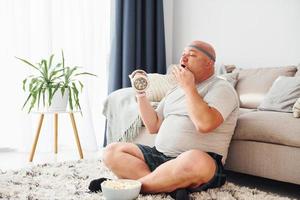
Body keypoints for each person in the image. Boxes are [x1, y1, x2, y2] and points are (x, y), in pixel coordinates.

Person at [89, 40, 239, 200]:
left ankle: (129, 187)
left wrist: (189, 87)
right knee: (111, 151)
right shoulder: (175, 89)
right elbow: (153, 125)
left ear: (209, 63)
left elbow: (204, 124)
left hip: (199, 161)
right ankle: (168, 187)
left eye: (192, 55)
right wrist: (141, 94)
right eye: (183, 55)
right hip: (159, 156)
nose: (184, 59)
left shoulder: (222, 88)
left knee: (195, 160)